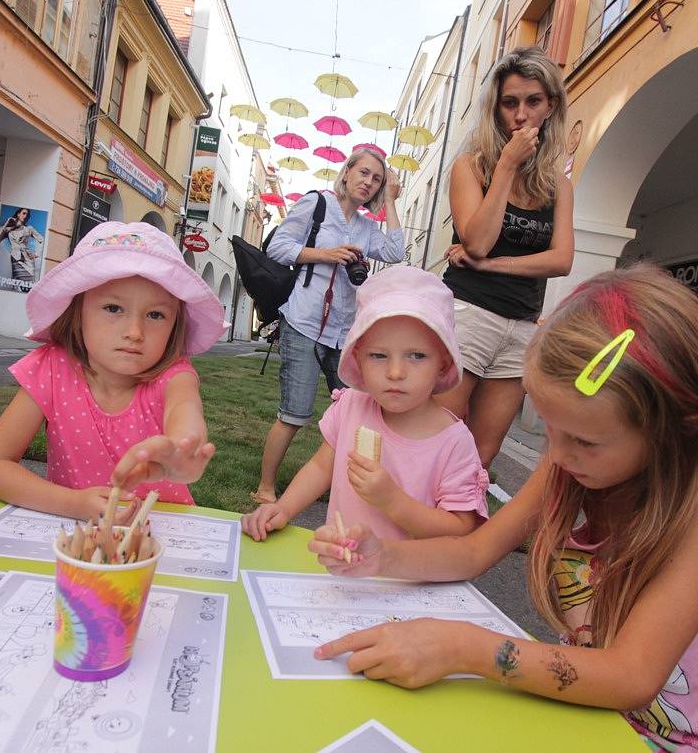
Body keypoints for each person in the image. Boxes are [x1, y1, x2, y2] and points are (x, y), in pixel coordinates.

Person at [310, 265, 698, 752]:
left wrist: (464, 647)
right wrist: (383, 557)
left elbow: (633, 675)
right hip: (587, 718)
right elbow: (473, 552)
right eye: (550, 430)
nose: (558, 453)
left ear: (681, 428)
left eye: (584, 440)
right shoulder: (572, 457)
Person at [0, 221, 228, 521]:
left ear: (176, 325)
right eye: (113, 308)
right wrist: (71, 503)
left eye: (156, 314)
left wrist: (182, 447)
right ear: (77, 310)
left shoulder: (175, 374)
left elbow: (185, 411)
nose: (134, 332)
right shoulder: (51, 368)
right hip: (75, 539)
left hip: (164, 541)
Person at [242, 265, 488, 542]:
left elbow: (460, 529)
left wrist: (394, 502)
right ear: (358, 358)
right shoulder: (351, 407)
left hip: (409, 581)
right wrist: (283, 508)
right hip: (340, 568)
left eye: (417, 356)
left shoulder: (454, 442)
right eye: (379, 356)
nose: (396, 372)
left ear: (443, 363)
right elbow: (322, 467)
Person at [441, 46, 574, 467]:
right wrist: (507, 167)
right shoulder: (471, 166)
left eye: (533, 102)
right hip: (468, 312)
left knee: (484, 450)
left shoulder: (558, 185)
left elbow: (562, 261)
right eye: (509, 103)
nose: (520, 115)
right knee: (439, 431)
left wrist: (494, 264)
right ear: (496, 109)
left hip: (521, 325)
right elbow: (477, 240)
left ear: (550, 106)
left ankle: (458, 527)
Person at [251, 149, 405, 504]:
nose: (368, 182)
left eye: (377, 179)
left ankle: (346, 487)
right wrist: (329, 255)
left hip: (343, 332)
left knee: (358, 412)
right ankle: (265, 486)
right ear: (348, 172)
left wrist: (392, 202)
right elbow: (278, 246)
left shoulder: (368, 227)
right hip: (303, 321)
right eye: (364, 173)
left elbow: (396, 253)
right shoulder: (316, 205)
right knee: (295, 411)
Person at [0, 207, 44, 284]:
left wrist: (36, 254)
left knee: (29, 284)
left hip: (28, 260)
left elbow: (42, 240)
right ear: (18, 214)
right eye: (24, 213)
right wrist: (8, 222)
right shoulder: (9, 230)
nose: (25, 216)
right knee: (17, 283)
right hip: (16, 259)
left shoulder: (29, 229)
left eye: (27, 215)